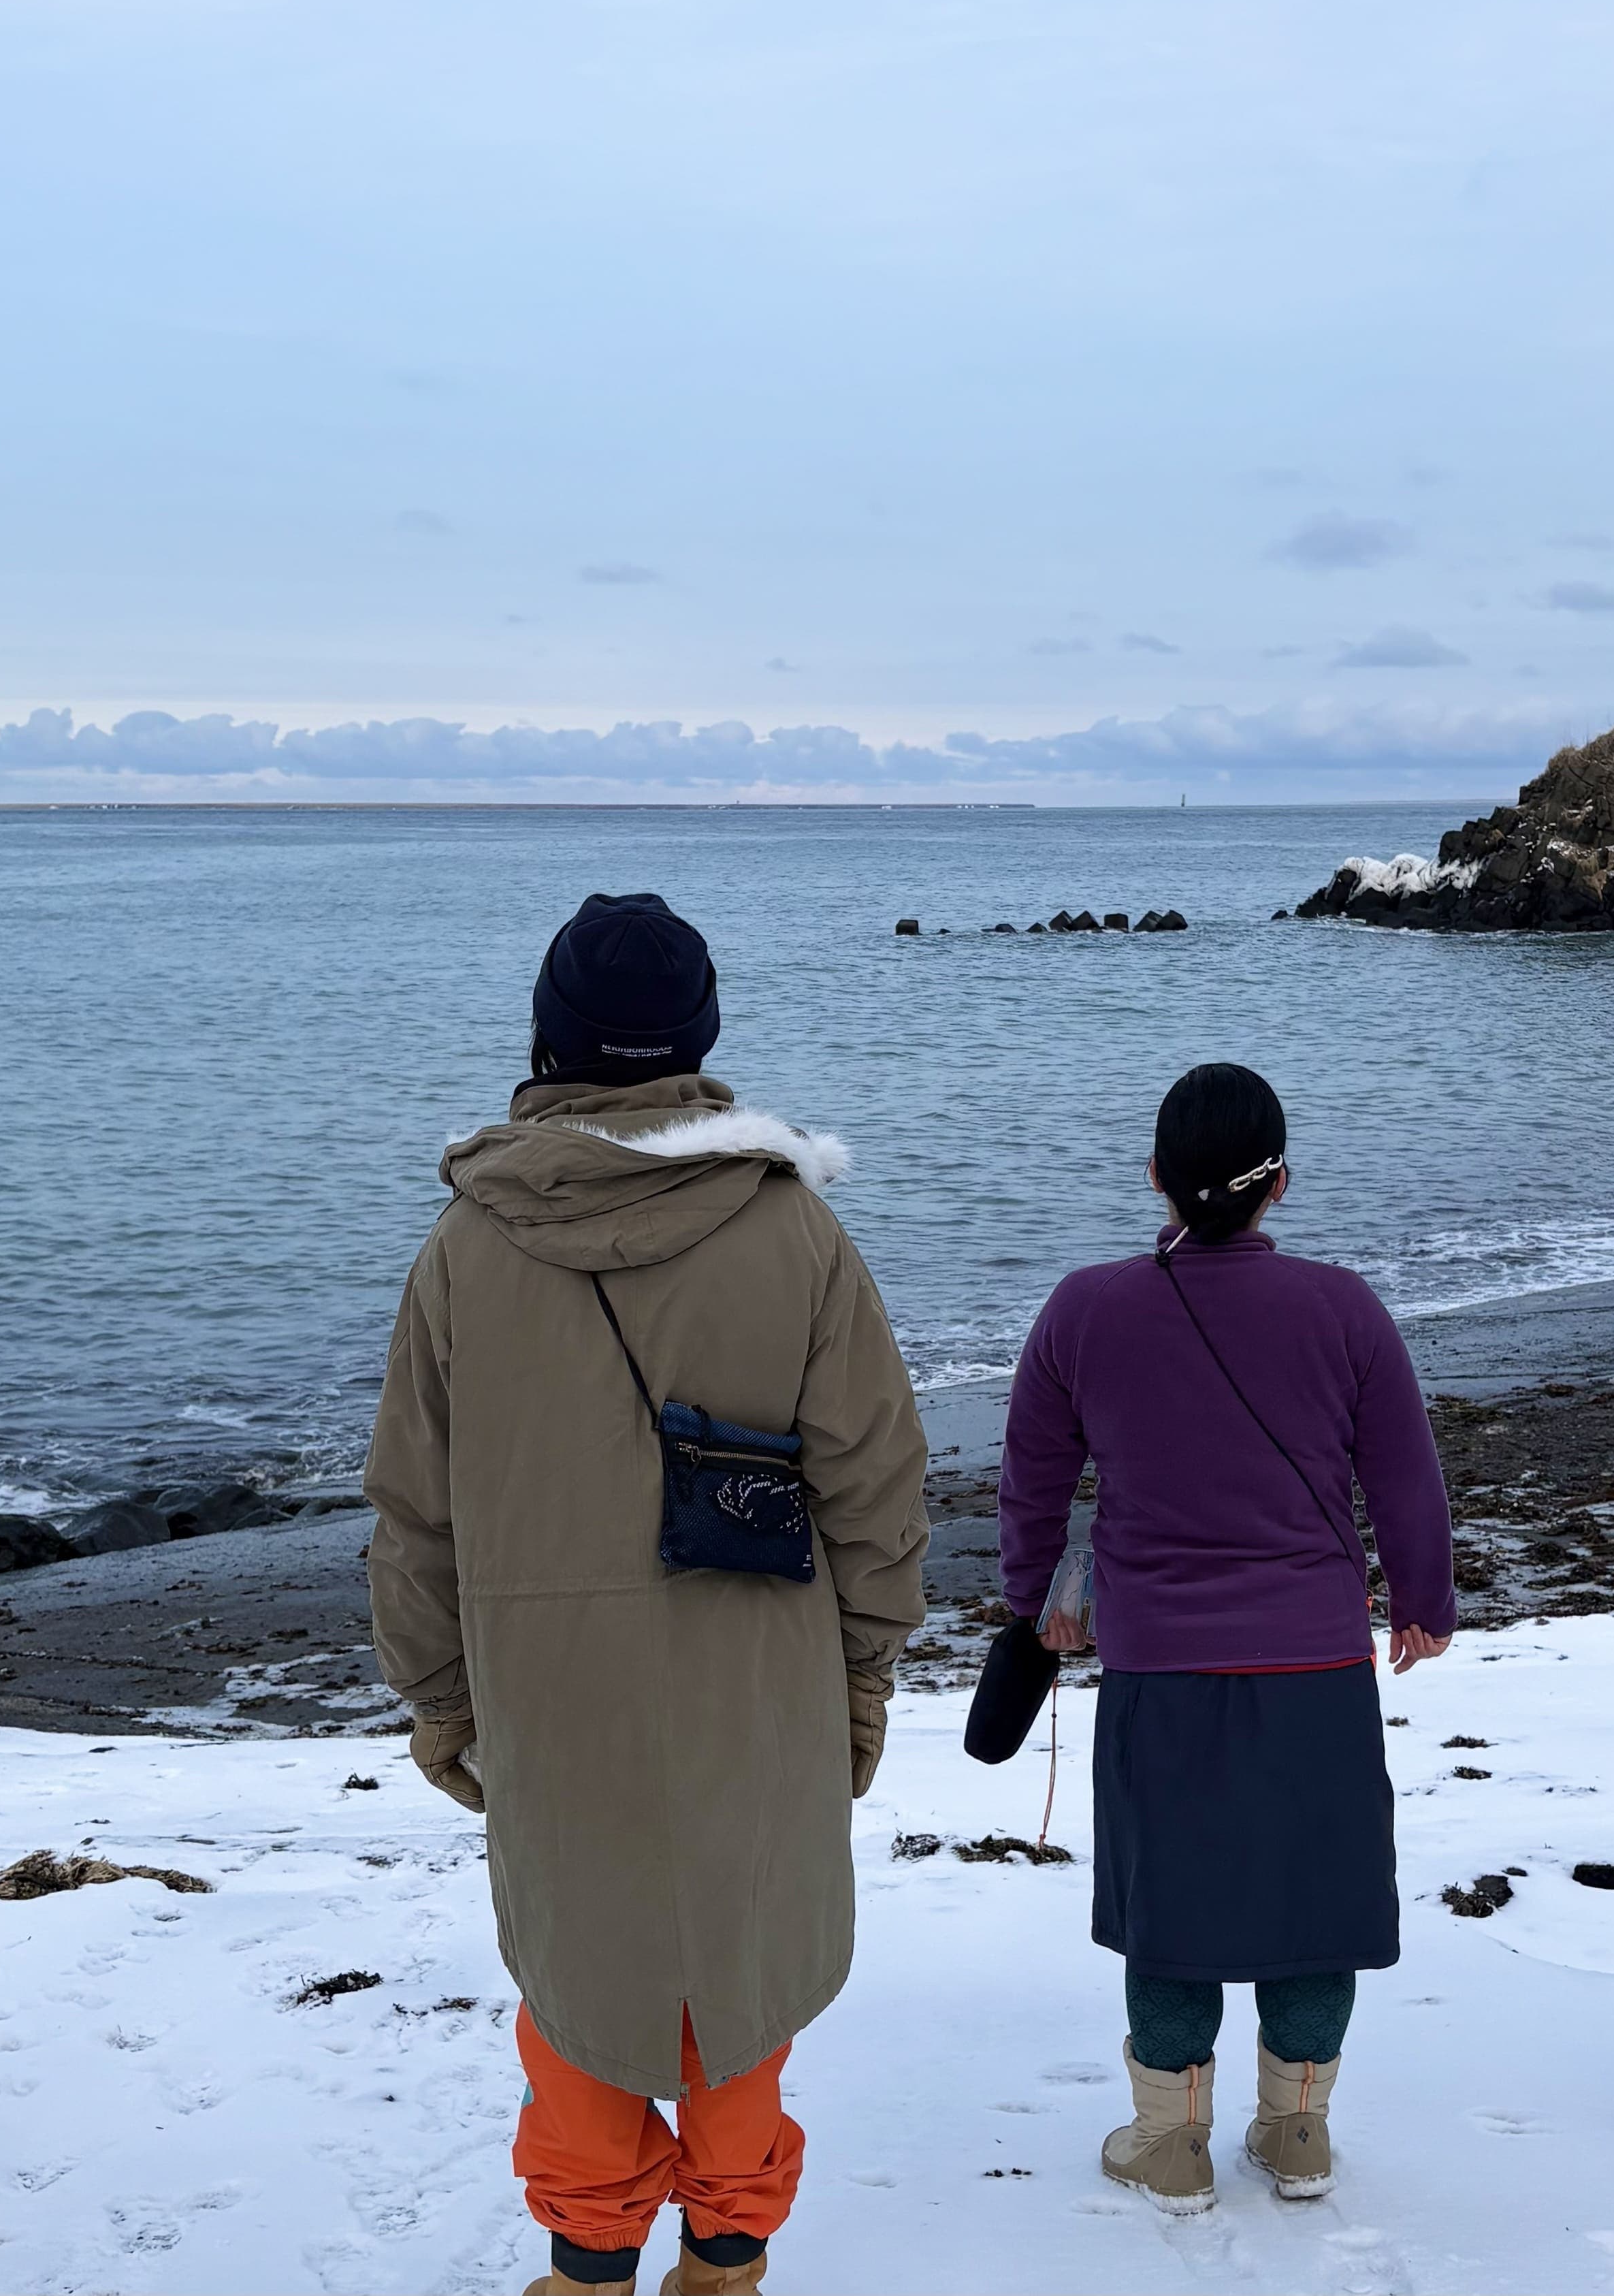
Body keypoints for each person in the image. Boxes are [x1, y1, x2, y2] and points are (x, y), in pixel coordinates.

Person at [366, 893, 929, 2296]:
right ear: (702, 1041)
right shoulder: (793, 1228)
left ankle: (586, 2262)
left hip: (545, 1687)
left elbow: (413, 1507)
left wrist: (435, 1697)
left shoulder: (466, 1244)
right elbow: (875, 1480)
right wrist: (866, 1670)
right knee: (737, 1975)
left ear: (547, 1037)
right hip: (758, 1674)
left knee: (581, 1974)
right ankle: (727, 2260)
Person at [997, 1062, 1457, 2214]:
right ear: (1279, 1187)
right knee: (1316, 1897)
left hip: (1160, 1664)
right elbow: (1407, 1474)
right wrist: (1423, 1600)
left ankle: (1172, 2144)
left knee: (1173, 1904)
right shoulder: (1343, 1306)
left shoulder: (1085, 1308)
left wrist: (1030, 1602)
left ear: (1157, 1178)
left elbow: (1032, 1481)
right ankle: (1297, 2133)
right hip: (1315, 1660)